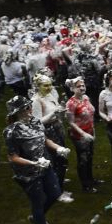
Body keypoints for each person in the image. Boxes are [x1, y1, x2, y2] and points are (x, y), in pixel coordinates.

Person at [3, 95, 71, 224]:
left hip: (45, 166)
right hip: (28, 173)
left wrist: (59, 148)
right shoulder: (11, 131)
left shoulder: (35, 122)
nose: (30, 108)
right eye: (26, 107)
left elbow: (45, 139)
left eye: (29, 106)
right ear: (18, 112)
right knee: (38, 200)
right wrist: (33, 163)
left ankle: (36, 217)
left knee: (55, 193)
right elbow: (12, 157)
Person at [31, 74, 73, 203]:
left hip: (57, 129)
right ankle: (56, 193)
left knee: (62, 161)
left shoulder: (51, 95)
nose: (49, 87)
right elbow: (37, 122)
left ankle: (59, 187)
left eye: (50, 84)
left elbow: (54, 112)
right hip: (48, 133)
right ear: (38, 86)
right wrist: (53, 114)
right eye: (45, 85)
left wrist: (60, 112)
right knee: (56, 161)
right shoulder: (36, 100)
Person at [65, 77, 101, 193]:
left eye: (83, 86)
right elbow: (70, 122)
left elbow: (90, 115)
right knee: (83, 159)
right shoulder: (71, 103)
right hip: (79, 135)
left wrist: (93, 131)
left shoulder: (86, 98)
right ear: (73, 89)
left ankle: (90, 179)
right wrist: (83, 134)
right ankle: (85, 185)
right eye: (78, 86)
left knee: (90, 156)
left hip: (89, 132)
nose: (82, 88)